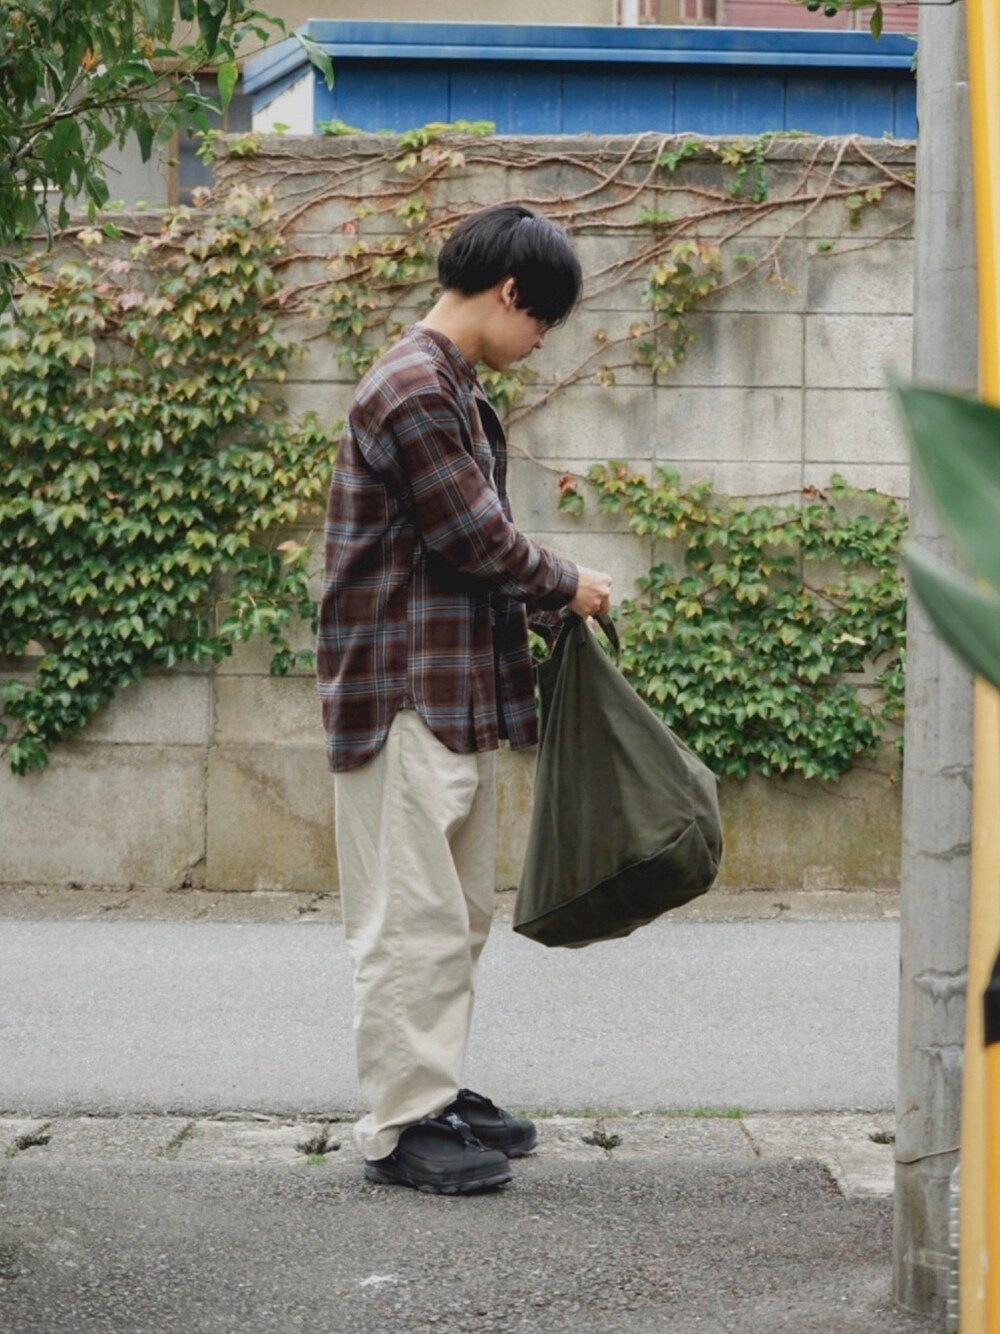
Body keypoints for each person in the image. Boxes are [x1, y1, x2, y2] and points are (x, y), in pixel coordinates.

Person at [317, 203, 612, 1195]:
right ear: (510, 291)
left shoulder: (452, 385)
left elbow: (465, 549)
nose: (542, 341)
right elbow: (474, 536)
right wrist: (566, 583)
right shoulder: (412, 386)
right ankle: (401, 1124)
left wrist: (546, 604)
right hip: (402, 693)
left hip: (451, 692)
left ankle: (431, 1088)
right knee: (410, 920)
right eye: (544, 320)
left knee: (457, 913)